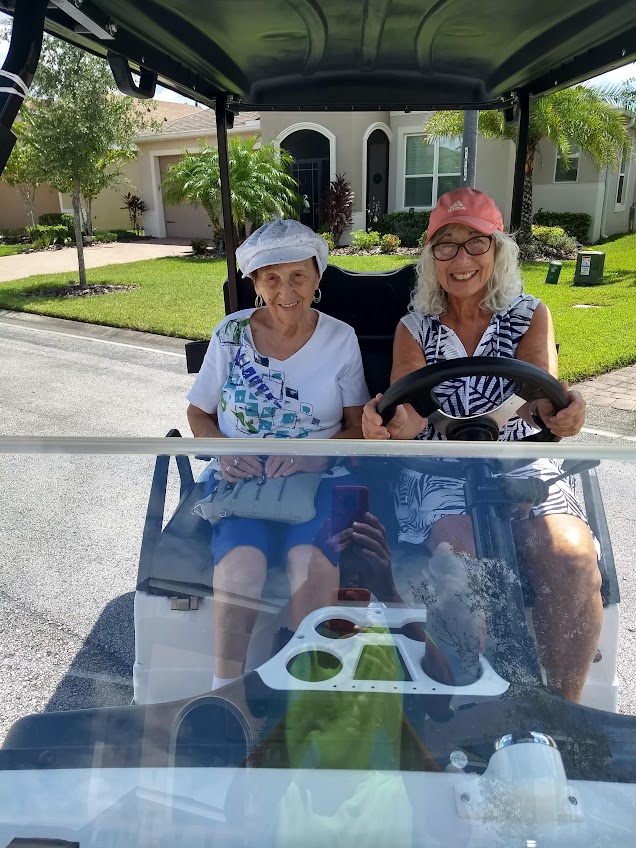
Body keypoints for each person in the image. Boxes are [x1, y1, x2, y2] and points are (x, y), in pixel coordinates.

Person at [362, 188, 602, 703]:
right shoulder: (415, 327)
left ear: (498, 252)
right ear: (431, 260)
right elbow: (405, 416)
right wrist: (383, 423)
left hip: (521, 461)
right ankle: (467, 700)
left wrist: (565, 414)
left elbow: (542, 401)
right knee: (458, 559)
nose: (461, 258)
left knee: (573, 557)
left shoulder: (530, 313)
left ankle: (566, 710)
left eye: (475, 243)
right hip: (439, 469)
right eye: (445, 246)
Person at [187, 219, 370, 691]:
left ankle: (306, 691)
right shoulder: (230, 334)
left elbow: (357, 428)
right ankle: (225, 693)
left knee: (309, 566)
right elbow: (197, 412)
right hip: (240, 482)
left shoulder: (341, 338)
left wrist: (314, 456)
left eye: (298, 276)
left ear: (317, 277)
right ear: (254, 283)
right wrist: (224, 452)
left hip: (317, 483)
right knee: (240, 568)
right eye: (272, 277)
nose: (286, 290)